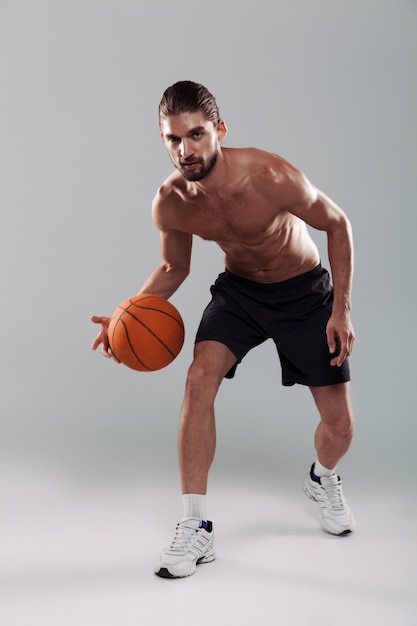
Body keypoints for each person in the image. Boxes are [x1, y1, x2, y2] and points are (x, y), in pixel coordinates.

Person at [91, 80, 356, 579]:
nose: (185, 149)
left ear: (220, 130)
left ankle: (322, 479)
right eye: (173, 139)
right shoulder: (171, 201)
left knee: (340, 429)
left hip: (304, 294)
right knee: (198, 379)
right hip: (240, 294)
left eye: (196, 134)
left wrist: (340, 309)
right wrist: (127, 312)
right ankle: (196, 525)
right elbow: (174, 268)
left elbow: (336, 223)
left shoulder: (269, 175)